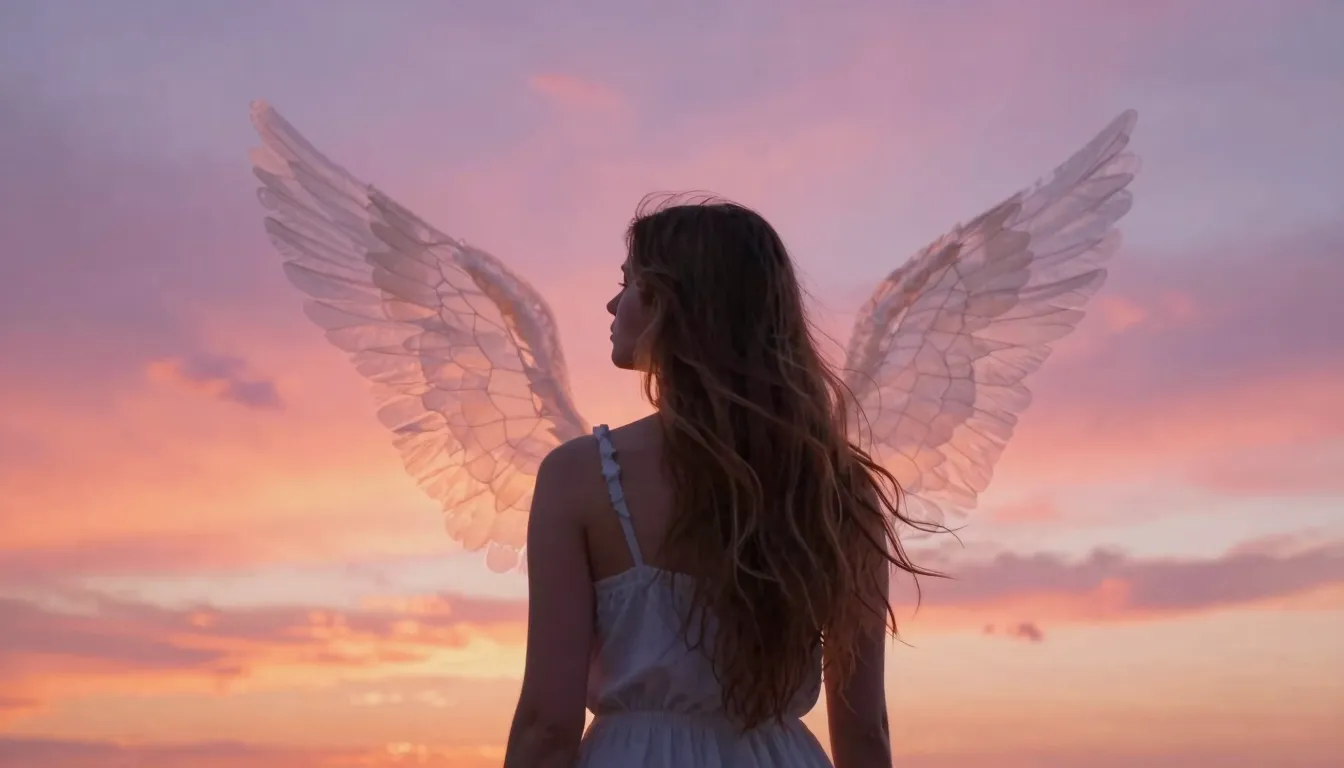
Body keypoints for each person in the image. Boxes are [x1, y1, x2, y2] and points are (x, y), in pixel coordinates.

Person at [503, 196, 937, 767]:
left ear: (668, 303)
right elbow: (864, 734)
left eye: (629, 282)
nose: (613, 302)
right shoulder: (836, 488)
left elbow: (546, 725)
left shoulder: (579, 475)